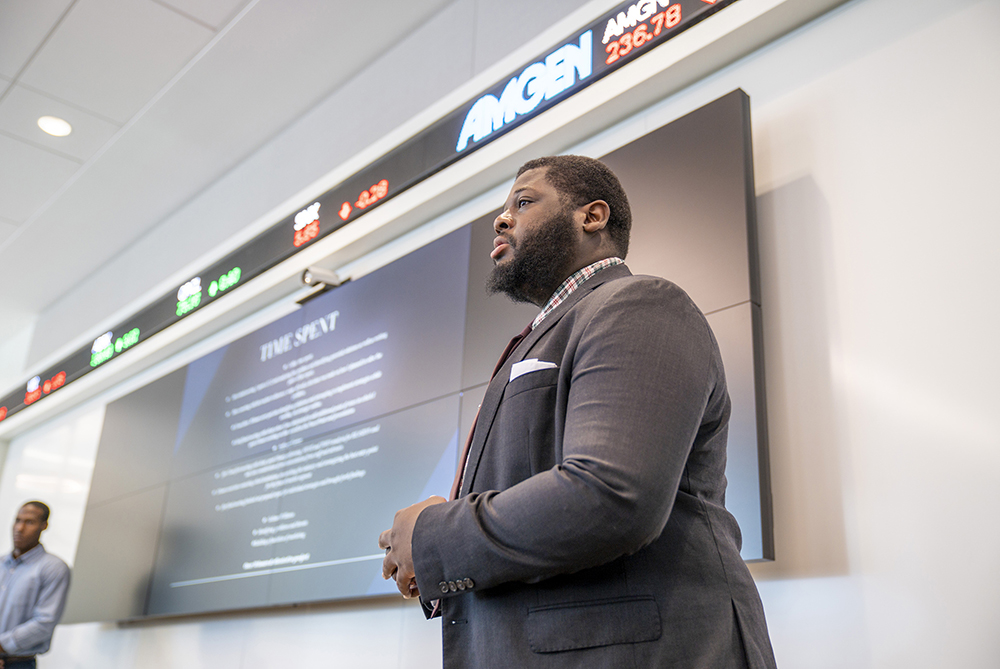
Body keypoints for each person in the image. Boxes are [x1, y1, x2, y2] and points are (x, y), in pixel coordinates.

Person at [379, 155, 776, 667]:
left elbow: (609, 494)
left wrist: (436, 535)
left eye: (523, 202)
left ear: (592, 216)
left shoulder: (639, 303)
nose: (501, 219)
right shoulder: (545, 335)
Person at [0, 502, 70, 669]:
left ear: (43, 526)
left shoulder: (53, 568)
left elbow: (44, 622)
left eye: (29, 522)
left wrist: (1, 646)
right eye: (17, 520)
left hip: (18, 664)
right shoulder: (1, 563)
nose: (20, 528)